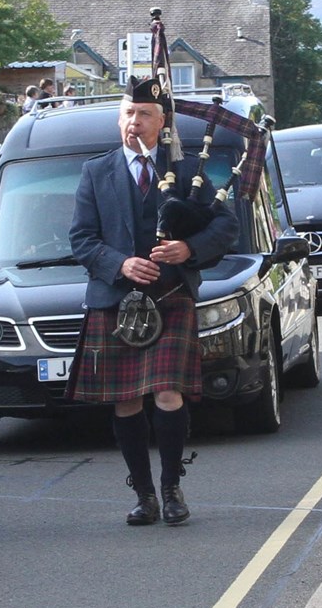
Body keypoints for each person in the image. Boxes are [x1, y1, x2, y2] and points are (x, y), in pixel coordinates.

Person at [68, 80, 240, 527]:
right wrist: (120, 264)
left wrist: (190, 250)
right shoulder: (96, 172)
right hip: (115, 300)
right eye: (128, 113)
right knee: (125, 401)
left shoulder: (187, 173)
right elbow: (82, 239)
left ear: (162, 122)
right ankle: (143, 493)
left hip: (169, 297)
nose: (134, 122)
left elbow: (225, 228)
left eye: (144, 114)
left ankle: (171, 486)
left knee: (167, 393)